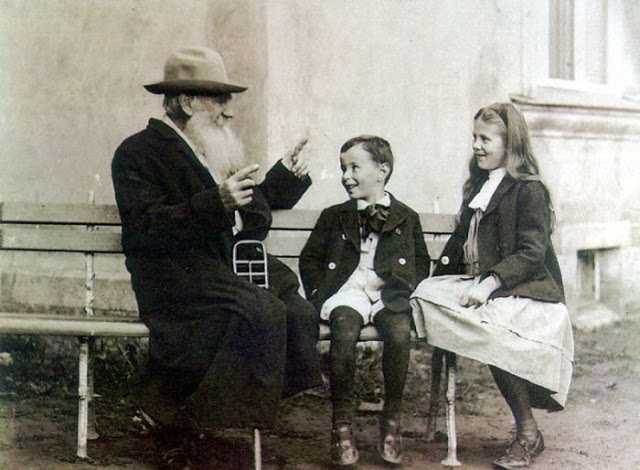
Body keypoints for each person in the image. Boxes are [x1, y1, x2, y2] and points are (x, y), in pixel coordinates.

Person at [111, 46, 322, 468]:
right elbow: (146, 227)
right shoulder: (138, 152)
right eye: (218, 99)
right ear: (187, 102)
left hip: (220, 263)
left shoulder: (209, 145)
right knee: (261, 310)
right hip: (173, 271)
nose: (229, 112)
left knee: (297, 310)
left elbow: (251, 203)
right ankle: (182, 420)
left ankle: (180, 409)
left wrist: (286, 174)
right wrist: (217, 202)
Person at [411, 103, 574, 469]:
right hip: (479, 285)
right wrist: (431, 280)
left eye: (485, 139)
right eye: (474, 138)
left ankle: (528, 432)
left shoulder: (529, 190)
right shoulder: (479, 186)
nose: (477, 146)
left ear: (510, 142)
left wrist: (491, 282)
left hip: (524, 288)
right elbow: (458, 245)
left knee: (497, 336)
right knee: (425, 295)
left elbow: (532, 252)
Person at [299, 135, 430, 466]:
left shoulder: (405, 216)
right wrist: (318, 292)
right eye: (343, 169)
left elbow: (421, 261)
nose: (346, 176)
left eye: (355, 167)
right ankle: (341, 426)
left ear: (382, 170)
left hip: (389, 292)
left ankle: (392, 422)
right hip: (348, 290)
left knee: (400, 333)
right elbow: (310, 259)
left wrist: (406, 289)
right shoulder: (335, 216)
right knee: (343, 331)